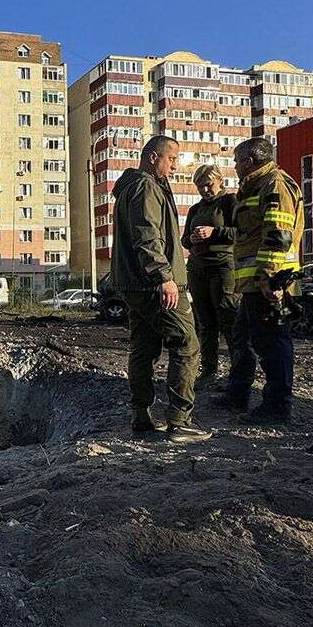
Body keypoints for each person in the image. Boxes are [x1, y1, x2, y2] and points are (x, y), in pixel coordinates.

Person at [110, 135, 211, 443]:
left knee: (144, 347)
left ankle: (141, 417)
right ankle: (180, 422)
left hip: (134, 284)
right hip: (153, 284)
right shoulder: (145, 186)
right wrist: (163, 277)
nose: (173, 166)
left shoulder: (132, 187)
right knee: (187, 343)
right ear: (153, 157)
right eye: (170, 160)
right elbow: (148, 235)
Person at [215, 137, 304, 426]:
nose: (235, 166)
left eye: (237, 161)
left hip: (269, 283)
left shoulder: (275, 185)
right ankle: (237, 395)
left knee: (271, 343)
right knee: (243, 338)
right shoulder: (254, 186)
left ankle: (277, 407)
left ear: (248, 161)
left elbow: (278, 233)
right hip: (254, 285)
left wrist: (269, 278)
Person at [182, 164, 239, 384]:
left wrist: (215, 232)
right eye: (200, 186)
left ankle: (238, 371)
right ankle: (209, 370)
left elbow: (241, 232)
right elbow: (185, 239)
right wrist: (192, 240)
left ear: (219, 181)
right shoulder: (195, 210)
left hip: (222, 267)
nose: (205, 190)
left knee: (227, 318)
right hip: (197, 269)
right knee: (205, 323)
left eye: (208, 184)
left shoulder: (229, 202)